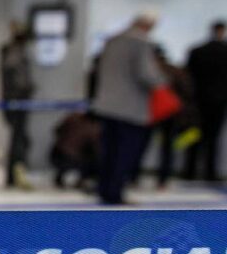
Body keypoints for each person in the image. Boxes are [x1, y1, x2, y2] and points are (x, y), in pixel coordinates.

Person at [92, 12, 166, 205]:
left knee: (108, 151)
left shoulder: (112, 41)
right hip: (130, 108)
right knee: (125, 153)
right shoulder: (141, 43)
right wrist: (163, 81)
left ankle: (104, 190)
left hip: (107, 105)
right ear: (148, 25)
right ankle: (115, 192)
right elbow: (146, 74)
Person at [184, 21, 227, 182]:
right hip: (219, 100)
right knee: (213, 138)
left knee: (195, 134)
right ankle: (210, 173)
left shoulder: (197, 51)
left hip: (198, 99)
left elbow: (188, 75)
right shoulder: (224, 52)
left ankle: (189, 171)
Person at [153, 46, 197, 189]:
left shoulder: (152, 70)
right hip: (171, 113)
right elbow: (188, 91)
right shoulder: (175, 71)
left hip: (151, 113)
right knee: (168, 147)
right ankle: (163, 179)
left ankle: (131, 176)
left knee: (138, 145)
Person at [1, 22, 35, 189]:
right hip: (17, 101)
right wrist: (25, 89)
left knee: (19, 140)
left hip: (16, 100)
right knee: (18, 141)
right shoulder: (15, 53)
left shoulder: (15, 51)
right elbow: (17, 78)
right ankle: (15, 176)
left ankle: (14, 176)